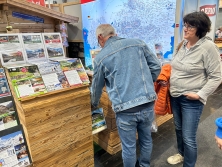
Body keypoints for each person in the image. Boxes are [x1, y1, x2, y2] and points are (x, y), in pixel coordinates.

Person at [91, 24, 161, 167]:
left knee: (128, 147)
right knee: (146, 140)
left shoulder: (100, 58)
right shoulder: (138, 43)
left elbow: (96, 87)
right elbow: (156, 66)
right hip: (147, 103)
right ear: (114, 33)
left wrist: (93, 102)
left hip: (125, 110)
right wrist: (146, 84)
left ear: (100, 37)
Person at [167, 11, 222, 167]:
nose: (185, 29)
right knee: (178, 129)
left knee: (188, 136)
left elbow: (216, 77)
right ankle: (181, 154)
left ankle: (189, 164)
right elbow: (176, 67)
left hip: (191, 100)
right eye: (185, 25)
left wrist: (199, 95)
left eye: (191, 26)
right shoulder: (182, 44)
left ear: (201, 29)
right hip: (175, 95)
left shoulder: (208, 47)